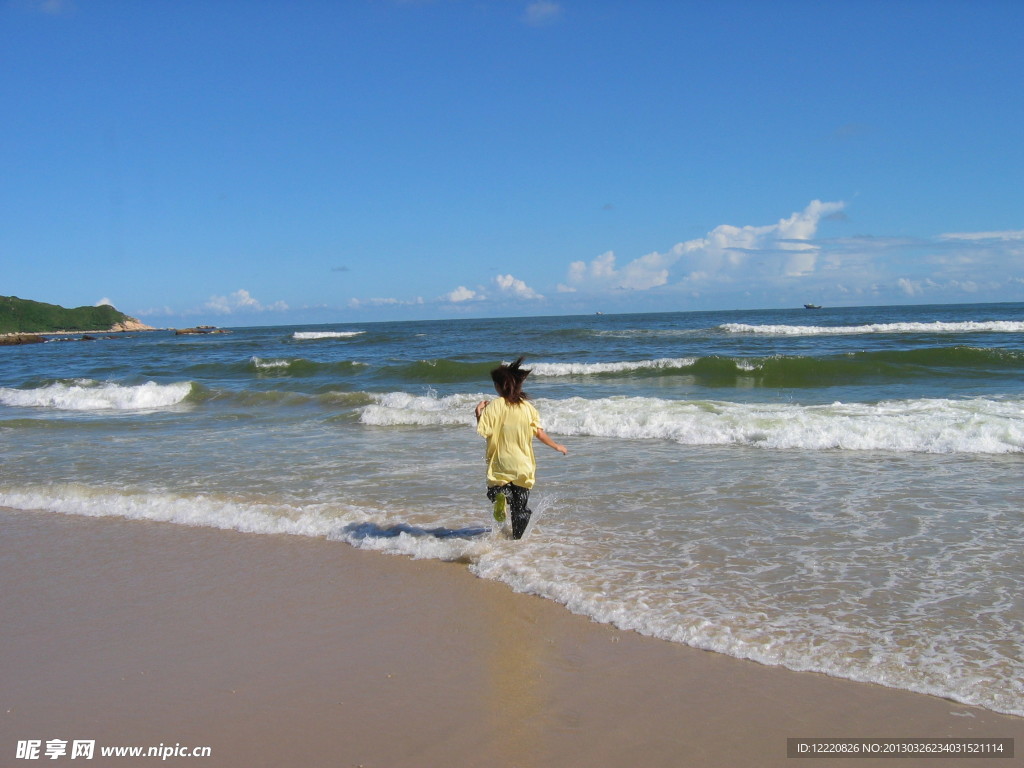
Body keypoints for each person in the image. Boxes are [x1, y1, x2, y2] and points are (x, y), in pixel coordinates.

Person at [474, 357, 567, 539]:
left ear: (499, 386)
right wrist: (557, 446)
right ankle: (516, 541)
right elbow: (539, 433)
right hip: (523, 465)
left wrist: (478, 413)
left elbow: (485, 431)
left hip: (501, 463)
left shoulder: (494, 406)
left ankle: (502, 495)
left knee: (495, 490)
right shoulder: (528, 408)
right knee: (521, 507)